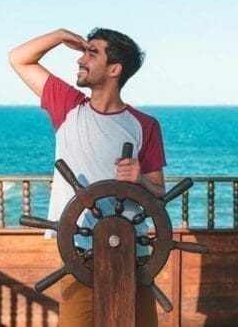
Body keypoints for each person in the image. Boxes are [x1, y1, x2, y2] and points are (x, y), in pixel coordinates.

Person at [9, 28, 166, 326]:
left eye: (91, 53)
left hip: (134, 253)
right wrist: (58, 36)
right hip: (79, 253)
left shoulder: (145, 125)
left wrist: (141, 180)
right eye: (83, 52)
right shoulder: (68, 105)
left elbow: (158, 192)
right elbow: (18, 59)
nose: (80, 59)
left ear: (114, 69)